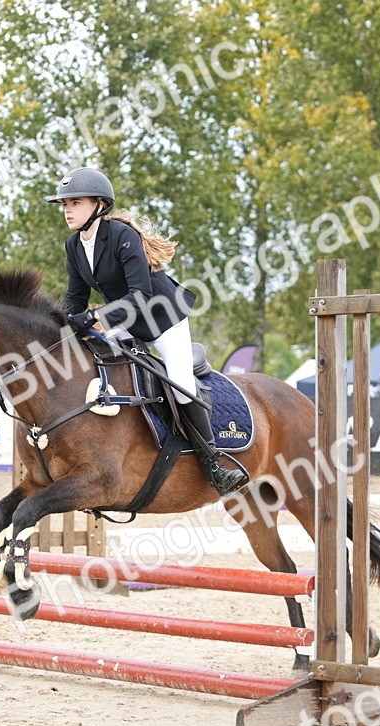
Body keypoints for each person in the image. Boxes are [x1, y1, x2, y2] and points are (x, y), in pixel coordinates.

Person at [47, 167, 247, 495]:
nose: (67, 209)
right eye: (64, 203)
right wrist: (56, 323)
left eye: (75, 202)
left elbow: (140, 295)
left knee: (181, 385)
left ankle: (214, 463)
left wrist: (94, 318)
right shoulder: (74, 245)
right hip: (125, 322)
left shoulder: (122, 237)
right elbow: (74, 298)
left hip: (161, 318)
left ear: (99, 205)